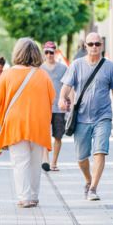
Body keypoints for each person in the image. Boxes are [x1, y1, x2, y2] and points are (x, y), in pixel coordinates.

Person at [59, 32, 113, 201]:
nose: (94, 47)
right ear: (85, 46)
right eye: (90, 44)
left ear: (102, 46)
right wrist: (62, 99)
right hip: (81, 118)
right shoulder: (77, 65)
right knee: (81, 157)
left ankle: (93, 188)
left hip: (103, 116)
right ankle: (87, 179)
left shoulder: (109, 67)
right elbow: (67, 85)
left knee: (100, 152)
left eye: (97, 44)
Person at [0, 38, 56, 208]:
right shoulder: (43, 75)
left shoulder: (7, 74)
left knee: (20, 161)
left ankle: (25, 196)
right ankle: (34, 196)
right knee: (36, 161)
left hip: (16, 122)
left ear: (17, 53)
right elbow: (52, 98)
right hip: (38, 122)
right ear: (36, 54)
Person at [41, 41, 68, 172]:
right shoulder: (39, 69)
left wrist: (70, 104)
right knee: (44, 135)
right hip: (43, 107)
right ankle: (45, 160)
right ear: (43, 53)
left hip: (59, 108)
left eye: (51, 52)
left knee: (58, 136)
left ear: (55, 52)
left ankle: (54, 162)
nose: (49, 55)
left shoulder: (63, 68)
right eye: (46, 52)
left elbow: (69, 87)